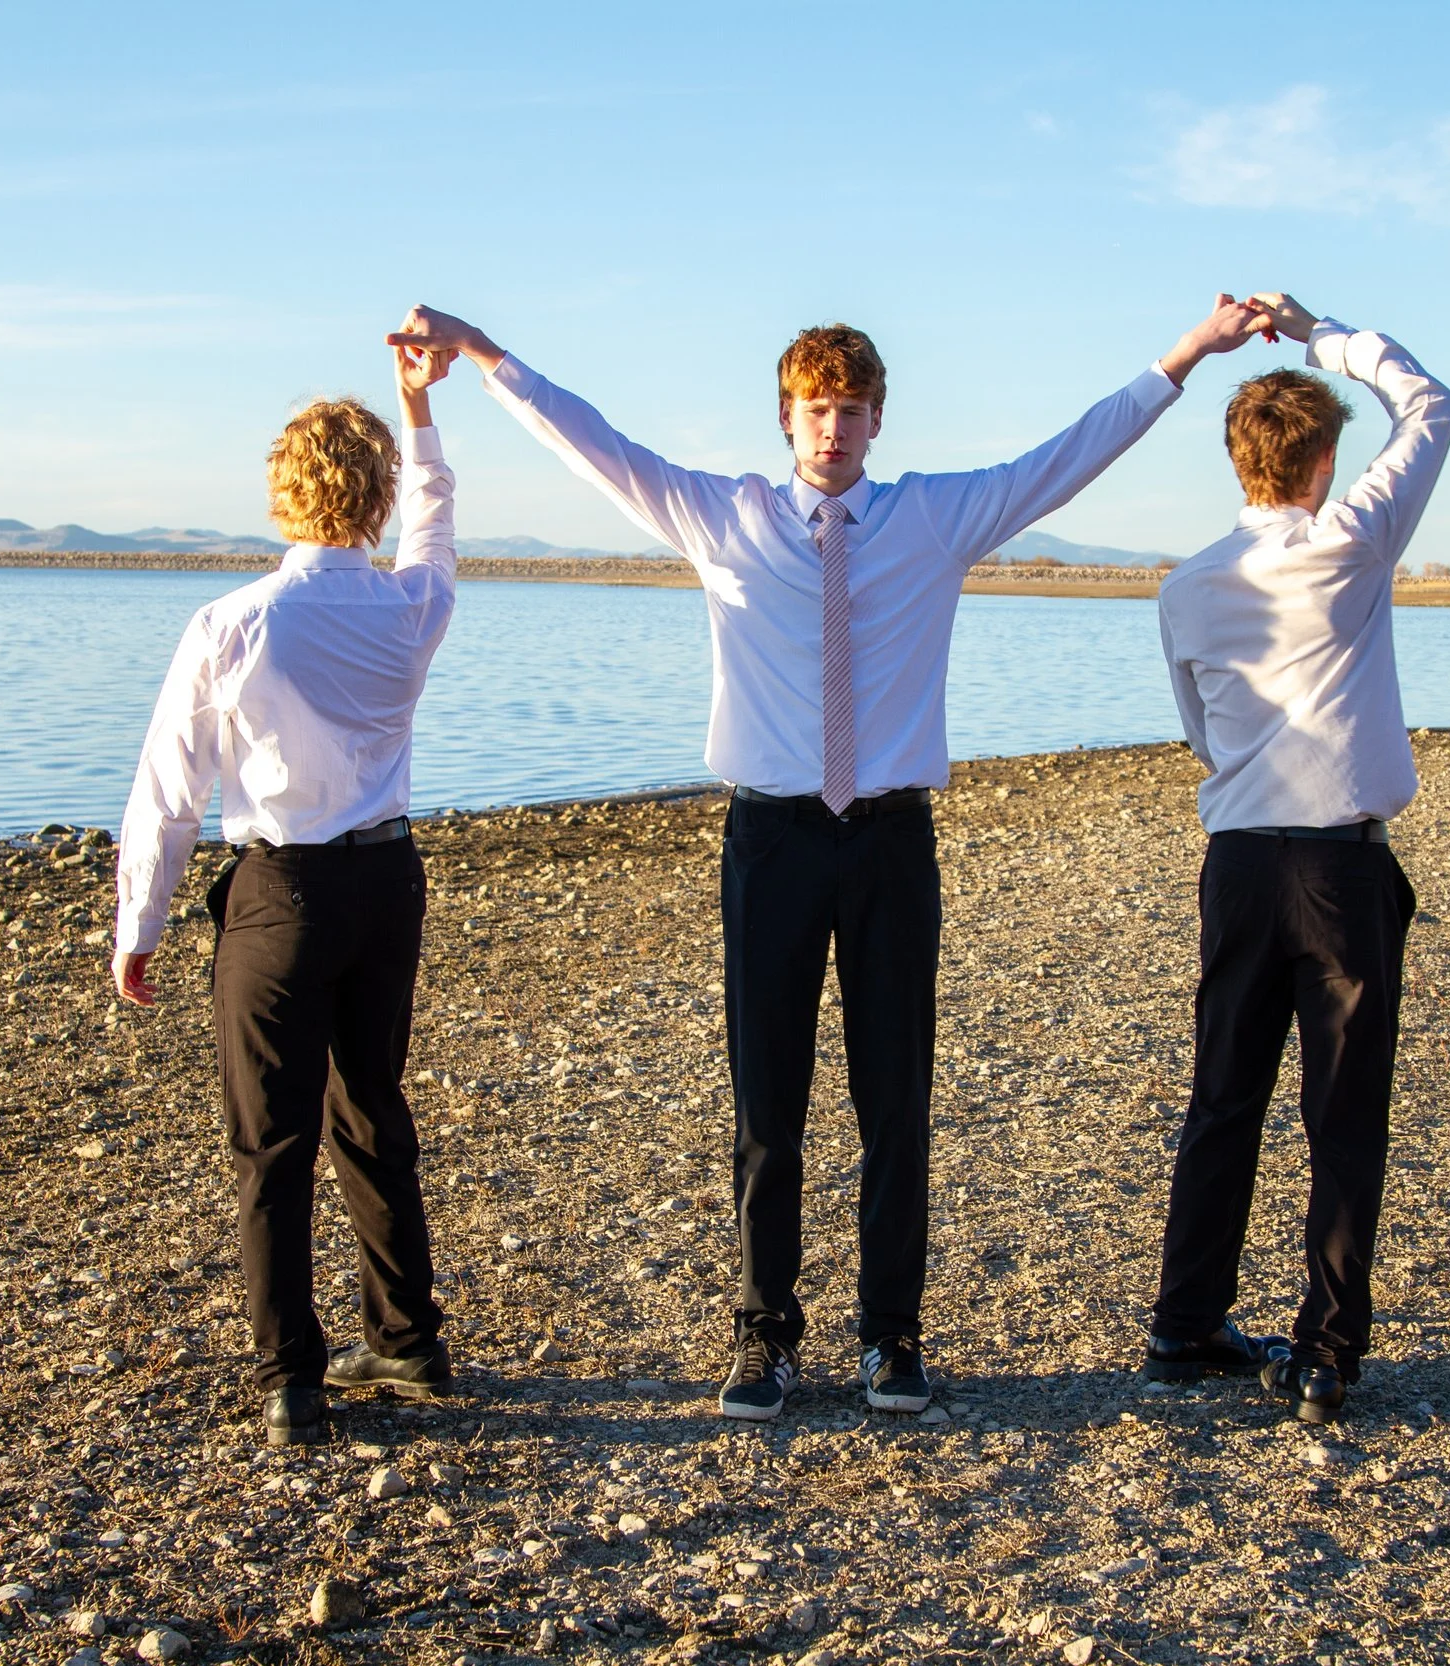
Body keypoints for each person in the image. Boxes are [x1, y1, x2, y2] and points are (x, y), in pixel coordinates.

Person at [387, 294, 1271, 1420]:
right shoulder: (725, 516)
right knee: (768, 1097)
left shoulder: (937, 520)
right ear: (786, 418)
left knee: (894, 1097)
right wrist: (480, 353)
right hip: (773, 838)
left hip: (892, 838)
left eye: (851, 410)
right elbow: (595, 441)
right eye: (815, 409)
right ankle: (763, 1337)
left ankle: (890, 1337)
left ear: (878, 419)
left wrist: (1188, 351)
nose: (833, 430)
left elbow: (1071, 453)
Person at [110, 335, 463, 1447]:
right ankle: (406, 1339)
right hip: (386, 883)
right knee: (370, 1108)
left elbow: (168, 789)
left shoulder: (232, 622)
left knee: (271, 1137)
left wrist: (142, 922)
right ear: (378, 495)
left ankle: (292, 1372)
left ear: (282, 489)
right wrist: (420, 412)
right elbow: (439, 522)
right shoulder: (410, 608)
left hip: (282, 890)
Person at [1142, 293, 1450, 1424]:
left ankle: (1183, 1320)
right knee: (1342, 1108)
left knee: (1223, 1092)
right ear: (1323, 458)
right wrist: (1322, 328)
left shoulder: (1184, 587)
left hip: (1237, 860)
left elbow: (1199, 729)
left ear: (1239, 460)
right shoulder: (1352, 538)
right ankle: (1324, 1349)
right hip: (1335, 867)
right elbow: (1427, 401)